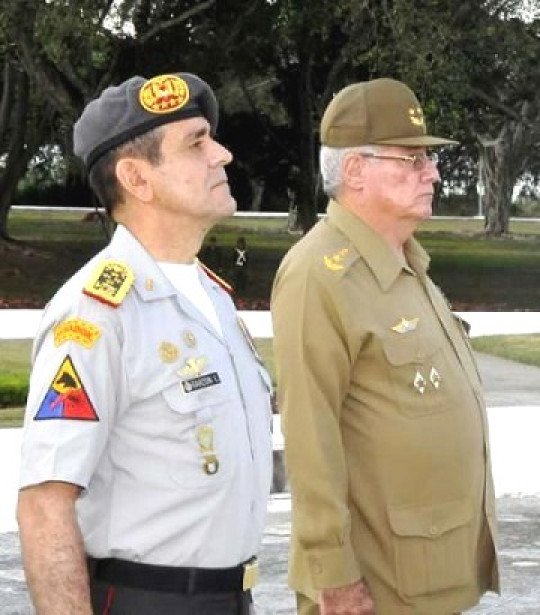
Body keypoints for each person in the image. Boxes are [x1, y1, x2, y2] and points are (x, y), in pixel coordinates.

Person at [16, 73, 273, 615]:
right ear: (137, 178)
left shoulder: (212, 297)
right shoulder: (96, 313)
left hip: (231, 598)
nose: (222, 155)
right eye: (197, 142)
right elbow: (45, 504)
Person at [270, 77, 499, 615]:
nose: (433, 172)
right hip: (374, 587)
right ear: (355, 171)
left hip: (430, 572)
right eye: (412, 160)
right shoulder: (319, 275)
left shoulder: (407, 265)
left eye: (428, 159)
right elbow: (310, 435)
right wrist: (334, 575)